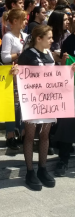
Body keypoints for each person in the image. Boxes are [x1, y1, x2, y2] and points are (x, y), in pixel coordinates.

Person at [18, 25, 59, 190]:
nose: (52, 40)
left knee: (45, 134)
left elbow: (55, 75)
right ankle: (30, 171)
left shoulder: (49, 53)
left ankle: (42, 168)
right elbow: (20, 77)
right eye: (49, 37)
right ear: (39, 39)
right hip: (32, 100)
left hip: (48, 99)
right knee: (29, 135)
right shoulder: (27, 55)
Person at [1, 8, 28, 150]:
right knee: (12, 107)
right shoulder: (8, 37)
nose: (25, 22)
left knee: (22, 106)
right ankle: (10, 135)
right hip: (12, 76)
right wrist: (19, 54)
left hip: (24, 76)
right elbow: (4, 57)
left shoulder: (25, 35)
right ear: (15, 21)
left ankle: (22, 133)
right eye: (23, 19)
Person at [54, 19, 75, 177]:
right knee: (67, 123)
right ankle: (63, 159)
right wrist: (65, 64)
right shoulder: (69, 41)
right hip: (71, 89)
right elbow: (64, 66)